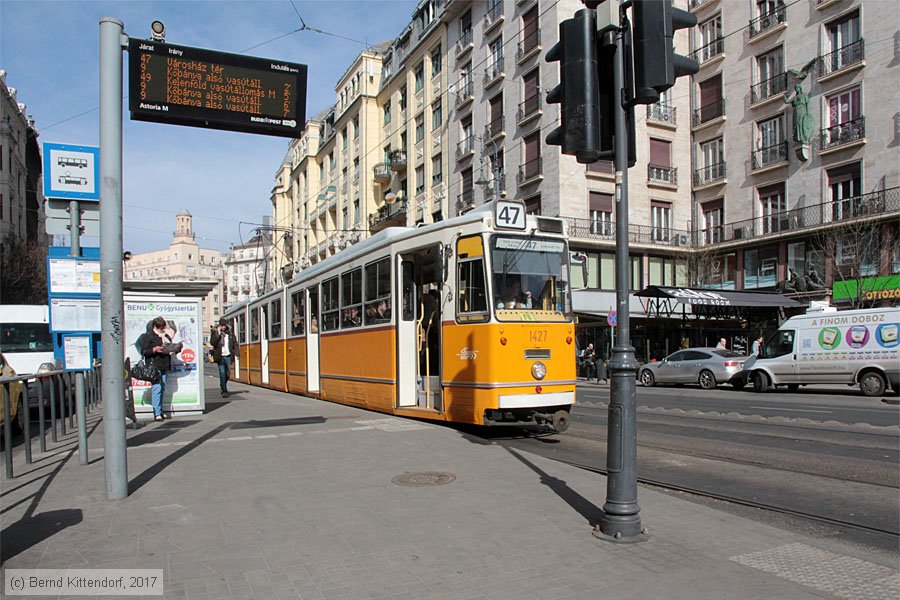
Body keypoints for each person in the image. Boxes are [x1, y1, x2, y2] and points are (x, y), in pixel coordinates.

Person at [139, 316, 175, 421]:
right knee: (157, 388)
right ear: (155, 326)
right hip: (154, 365)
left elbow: (170, 345)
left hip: (163, 363)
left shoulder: (165, 336)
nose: (163, 330)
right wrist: (154, 349)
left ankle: (159, 410)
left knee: (162, 387)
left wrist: (173, 348)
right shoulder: (148, 336)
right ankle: (157, 412)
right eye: (161, 328)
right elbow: (144, 351)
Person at [209, 318, 233, 398]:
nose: (223, 327)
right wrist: (218, 334)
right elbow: (213, 343)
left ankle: (222, 384)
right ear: (219, 325)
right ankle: (224, 391)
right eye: (222, 326)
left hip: (228, 355)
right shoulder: (214, 332)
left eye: (224, 326)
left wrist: (236, 353)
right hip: (220, 356)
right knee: (222, 373)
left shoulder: (229, 333)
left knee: (228, 373)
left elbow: (234, 342)